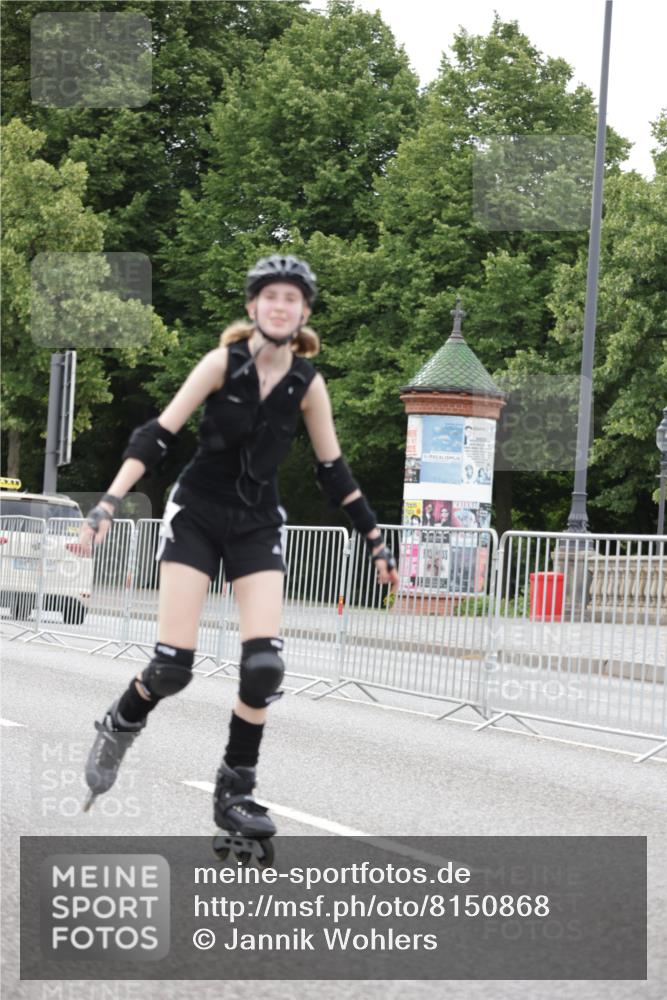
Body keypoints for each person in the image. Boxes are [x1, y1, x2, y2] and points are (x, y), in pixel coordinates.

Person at [80, 254, 398, 853]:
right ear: (253, 306)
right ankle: (121, 722)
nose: (280, 306)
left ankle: (235, 790)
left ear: (304, 312)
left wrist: (374, 539)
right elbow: (157, 436)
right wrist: (108, 504)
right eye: (270, 296)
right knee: (172, 669)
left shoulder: (307, 383)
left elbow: (333, 470)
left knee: (264, 667)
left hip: (256, 523)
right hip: (198, 514)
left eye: (291, 298)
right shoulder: (220, 364)